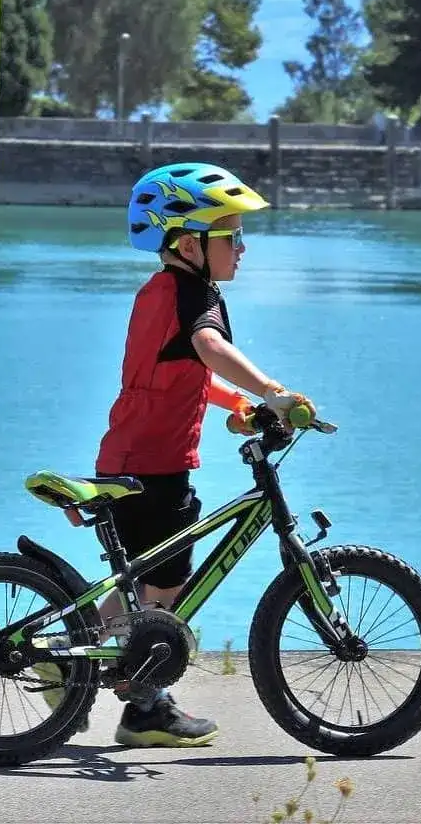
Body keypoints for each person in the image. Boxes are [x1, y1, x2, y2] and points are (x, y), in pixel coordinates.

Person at [82, 161, 315, 748]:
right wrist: (273, 393)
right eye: (231, 235)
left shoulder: (161, 292)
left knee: (147, 589)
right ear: (190, 242)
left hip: (133, 456)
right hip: (155, 466)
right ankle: (143, 708)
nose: (243, 247)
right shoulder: (192, 297)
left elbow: (186, 373)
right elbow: (208, 348)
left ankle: (75, 655)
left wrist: (237, 404)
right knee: (165, 591)